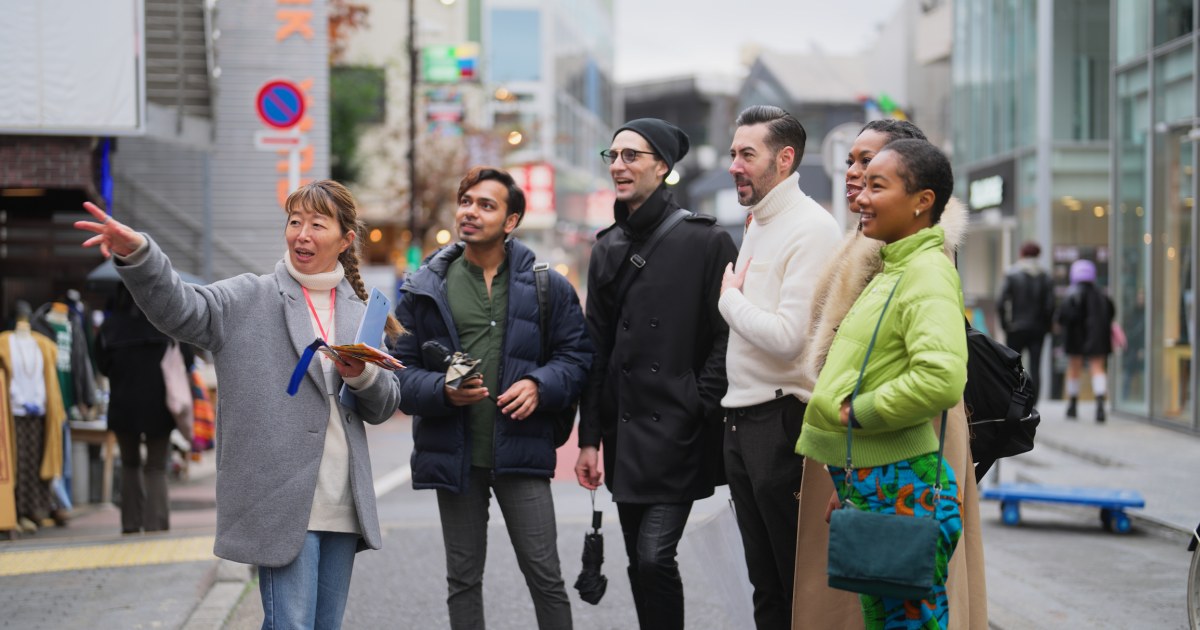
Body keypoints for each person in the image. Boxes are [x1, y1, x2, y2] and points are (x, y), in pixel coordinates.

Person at [73, 180, 404, 629]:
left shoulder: (362, 311)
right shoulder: (250, 296)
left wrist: (361, 374)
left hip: (343, 499)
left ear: (345, 240)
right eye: (294, 222)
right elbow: (181, 308)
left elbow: (384, 405)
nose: (302, 234)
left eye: (317, 225)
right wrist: (141, 256)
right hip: (280, 498)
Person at [796, 121, 987, 630]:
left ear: (922, 201)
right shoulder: (899, 265)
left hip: (900, 479)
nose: (860, 194)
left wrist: (858, 413)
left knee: (909, 622)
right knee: (891, 620)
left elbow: (940, 378)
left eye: (878, 184)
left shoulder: (923, 271)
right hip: (877, 477)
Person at [392, 166, 591, 630]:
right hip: (454, 455)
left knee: (545, 575)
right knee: (462, 579)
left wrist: (540, 384)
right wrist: (441, 391)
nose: (471, 212)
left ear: (511, 220)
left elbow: (577, 357)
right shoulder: (424, 287)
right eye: (466, 201)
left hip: (521, 449)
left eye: (486, 205)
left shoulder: (547, 286)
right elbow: (399, 373)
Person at [575, 118, 738, 630]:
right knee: (637, 561)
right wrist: (589, 440)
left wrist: (699, 400)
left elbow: (727, 333)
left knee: (653, 556)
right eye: (614, 156)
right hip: (627, 434)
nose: (619, 166)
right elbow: (595, 349)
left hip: (680, 430)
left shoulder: (706, 242)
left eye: (632, 156)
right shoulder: (606, 247)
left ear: (662, 167)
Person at [717, 105, 841, 630]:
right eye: (732, 153)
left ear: (784, 159)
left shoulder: (811, 228)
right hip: (744, 420)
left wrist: (729, 302)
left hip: (782, 422)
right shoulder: (760, 221)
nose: (734, 166)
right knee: (765, 583)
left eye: (748, 154)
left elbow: (791, 341)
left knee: (795, 585)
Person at [95, 283, 189, 534]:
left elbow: (102, 365)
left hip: (123, 406)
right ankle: (156, 524)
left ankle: (130, 523)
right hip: (160, 407)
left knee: (129, 464)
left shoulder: (109, 328)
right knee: (157, 466)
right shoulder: (166, 323)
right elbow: (187, 359)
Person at [0, 301, 65, 534]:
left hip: (38, 410)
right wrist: (19, 399)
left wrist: (39, 401)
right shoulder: (4, 344)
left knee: (37, 459)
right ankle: (15, 510)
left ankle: (34, 510)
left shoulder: (43, 345)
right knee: (17, 462)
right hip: (13, 412)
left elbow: (45, 378)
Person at [1056, 258, 1116, 422]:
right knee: (1098, 369)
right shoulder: (1102, 295)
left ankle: (1073, 406)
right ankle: (1100, 407)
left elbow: (1062, 318)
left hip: (1075, 338)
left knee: (1074, 369)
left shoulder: (1071, 295)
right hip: (1097, 338)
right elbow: (1111, 314)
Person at [997, 241, 1054, 404]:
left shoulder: (1012, 273)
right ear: (1038, 255)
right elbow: (1050, 305)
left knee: (1013, 365)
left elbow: (1001, 302)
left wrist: (1005, 324)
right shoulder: (1045, 276)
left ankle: (1015, 399)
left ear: (1021, 254)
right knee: (1036, 366)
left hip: (1016, 328)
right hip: (1038, 328)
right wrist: (1047, 326)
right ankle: (1034, 403)